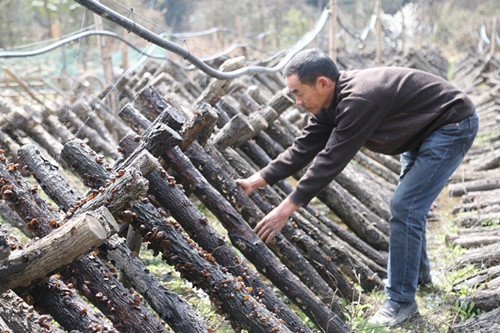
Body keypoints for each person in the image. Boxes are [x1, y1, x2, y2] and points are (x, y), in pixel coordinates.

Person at [236, 48, 479, 328]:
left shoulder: (359, 99)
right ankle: (416, 276)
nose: (297, 101)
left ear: (323, 83)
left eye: (298, 92)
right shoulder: (332, 101)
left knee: (406, 206)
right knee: (408, 207)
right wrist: (257, 180)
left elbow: (331, 158)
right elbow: (305, 146)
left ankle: (401, 303)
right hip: (422, 130)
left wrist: (286, 208)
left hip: (451, 125)